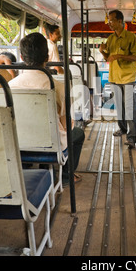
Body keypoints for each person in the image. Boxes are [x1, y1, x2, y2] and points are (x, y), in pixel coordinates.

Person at [9, 32, 85, 185]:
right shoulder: (57, 87)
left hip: (17, 143)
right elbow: (65, 125)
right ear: (47, 57)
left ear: (22, 58)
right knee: (78, 133)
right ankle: (65, 176)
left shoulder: (9, 86)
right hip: (51, 145)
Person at [99, 9, 136, 149]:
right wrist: (102, 52)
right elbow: (108, 59)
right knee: (119, 108)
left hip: (128, 78)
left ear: (119, 21)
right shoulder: (111, 39)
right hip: (114, 78)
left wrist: (119, 56)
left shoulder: (131, 37)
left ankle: (131, 138)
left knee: (129, 109)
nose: (109, 23)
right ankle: (123, 129)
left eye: (111, 20)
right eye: (108, 20)